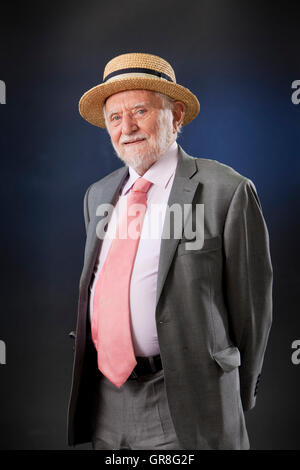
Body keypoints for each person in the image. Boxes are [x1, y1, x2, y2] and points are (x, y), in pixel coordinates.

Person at [67, 52, 273, 450]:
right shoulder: (98, 196)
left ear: (176, 116)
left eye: (140, 110)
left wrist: (232, 392)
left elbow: (252, 312)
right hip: (107, 399)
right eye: (114, 117)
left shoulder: (226, 192)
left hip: (188, 398)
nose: (126, 127)